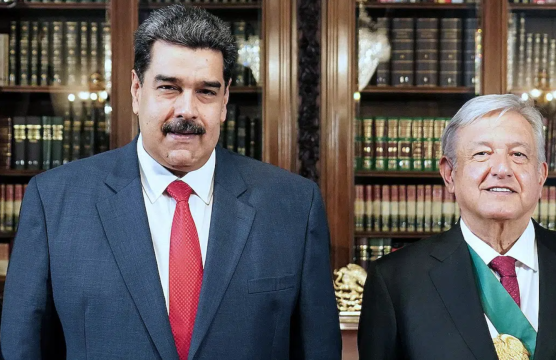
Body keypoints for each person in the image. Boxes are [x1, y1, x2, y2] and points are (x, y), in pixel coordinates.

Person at [1, 5, 341, 360]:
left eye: (206, 92)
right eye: (168, 88)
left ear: (225, 100)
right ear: (137, 90)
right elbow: (22, 347)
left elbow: (318, 348)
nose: (187, 110)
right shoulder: (55, 200)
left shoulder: (293, 205)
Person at [358, 94, 556, 360]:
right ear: (449, 174)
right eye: (482, 153)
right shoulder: (396, 281)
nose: (502, 169)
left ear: (541, 175)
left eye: (518, 155)